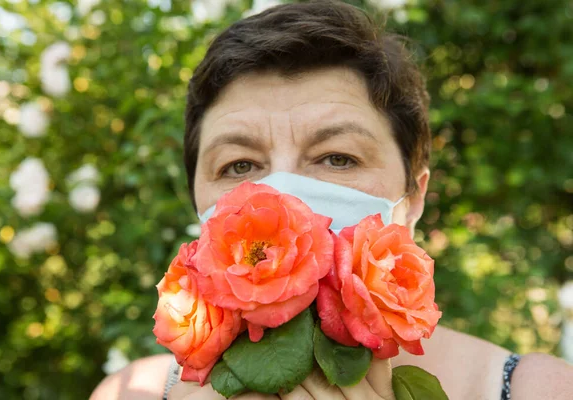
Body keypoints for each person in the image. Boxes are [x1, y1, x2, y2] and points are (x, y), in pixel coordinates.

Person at [90, 1, 573, 399]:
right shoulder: (132, 393)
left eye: (337, 158)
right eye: (239, 166)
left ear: (414, 197)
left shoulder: (539, 390)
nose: (280, 198)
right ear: (197, 201)